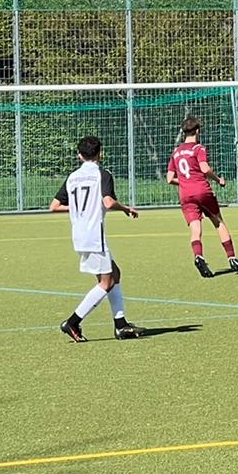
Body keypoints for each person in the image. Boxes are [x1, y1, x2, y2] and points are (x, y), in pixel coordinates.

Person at [51, 136, 143, 341]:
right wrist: (126, 208)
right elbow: (108, 202)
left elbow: (54, 206)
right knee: (107, 282)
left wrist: (78, 209)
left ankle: (121, 324)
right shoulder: (102, 174)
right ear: (100, 153)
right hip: (94, 236)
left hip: (79, 234)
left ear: (79, 155)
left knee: (114, 273)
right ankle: (72, 322)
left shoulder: (73, 177)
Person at [166, 116, 238, 278]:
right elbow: (204, 168)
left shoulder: (176, 151)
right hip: (202, 191)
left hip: (185, 194)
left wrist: (185, 182)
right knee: (218, 221)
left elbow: (169, 178)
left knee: (195, 229)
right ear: (197, 131)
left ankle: (198, 256)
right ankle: (232, 258)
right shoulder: (198, 148)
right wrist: (218, 179)